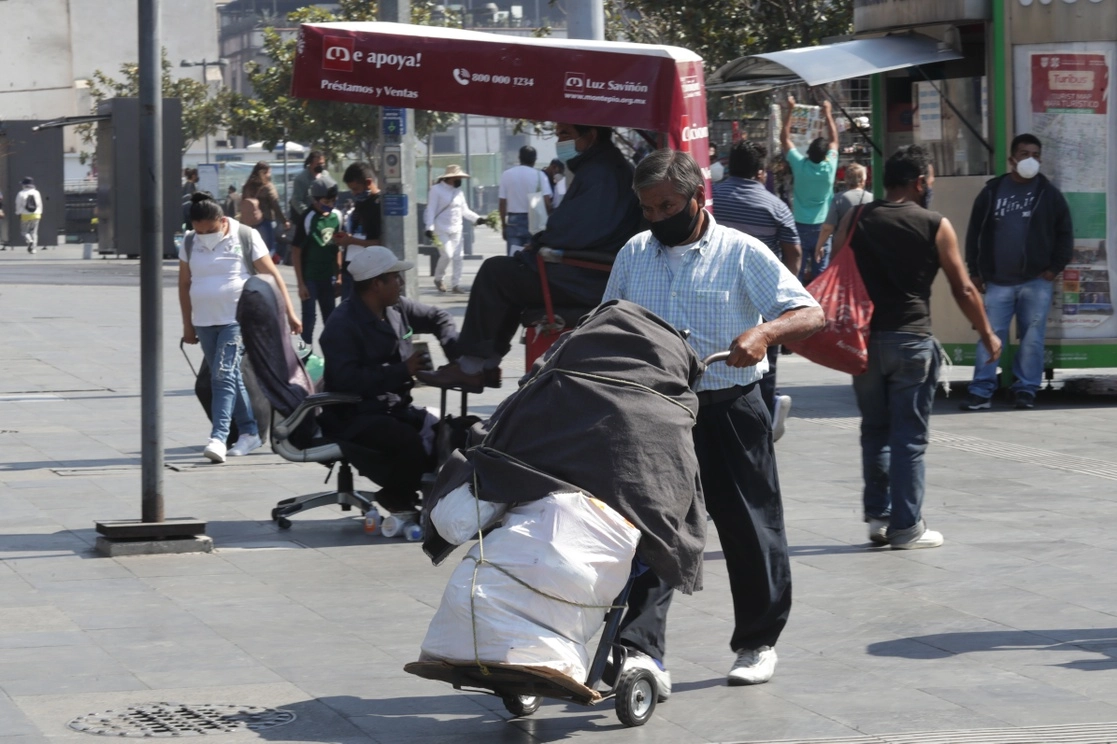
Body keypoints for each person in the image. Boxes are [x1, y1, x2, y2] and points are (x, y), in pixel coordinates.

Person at [603, 149, 823, 692]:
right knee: (651, 528)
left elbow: (810, 312)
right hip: (656, 412)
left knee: (750, 525)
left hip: (728, 407)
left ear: (697, 197)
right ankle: (640, 650)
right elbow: (607, 321)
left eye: (667, 206)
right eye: (648, 209)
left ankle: (757, 641)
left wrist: (765, 334)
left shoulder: (741, 252)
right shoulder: (635, 253)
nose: (657, 218)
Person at [831, 145, 1001, 549]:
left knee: (874, 429)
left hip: (865, 342)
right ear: (920, 182)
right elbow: (962, 287)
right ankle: (907, 527)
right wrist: (986, 332)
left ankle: (878, 517)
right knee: (908, 437)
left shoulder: (856, 218)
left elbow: (836, 268)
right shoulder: (934, 224)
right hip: (912, 340)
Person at [417, 123, 643, 391]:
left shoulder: (603, 172)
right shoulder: (605, 167)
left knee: (495, 271)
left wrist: (539, 244)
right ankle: (485, 365)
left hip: (587, 275)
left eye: (565, 135)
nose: (559, 142)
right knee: (513, 273)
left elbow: (575, 229)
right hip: (589, 269)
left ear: (591, 136)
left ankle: (471, 367)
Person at [318, 247, 461, 513]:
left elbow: (438, 317)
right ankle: (395, 495)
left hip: (393, 407)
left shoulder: (397, 308)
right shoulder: (342, 324)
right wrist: (401, 370)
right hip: (354, 414)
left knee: (452, 432)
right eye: (396, 277)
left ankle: (430, 498)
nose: (401, 283)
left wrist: (456, 356)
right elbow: (345, 379)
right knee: (408, 441)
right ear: (377, 284)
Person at [178, 192, 301, 463]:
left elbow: (273, 275)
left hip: (237, 319)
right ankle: (249, 432)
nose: (204, 235)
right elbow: (184, 284)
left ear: (222, 221)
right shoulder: (189, 242)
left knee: (222, 376)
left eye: (209, 230)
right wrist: (188, 325)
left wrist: (290, 313)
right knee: (228, 376)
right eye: (199, 231)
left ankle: (218, 438)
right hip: (205, 321)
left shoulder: (244, 235)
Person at [961, 133, 1073, 411]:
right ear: (1012, 159)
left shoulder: (1049, 194)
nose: (1031, 160)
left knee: (1033, 338)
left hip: (1036, 281)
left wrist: (1053, 269)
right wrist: (974, 271)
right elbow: (974, 232)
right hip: (997, 282)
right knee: (989, 335)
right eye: (1024, 154)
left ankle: (1026, 389)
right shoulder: (992, 191)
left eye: (1036, 154)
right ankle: (981, 390)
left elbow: (1065, 233)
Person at [712, 140, 802, 442]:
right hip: (759, 303)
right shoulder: (775, 206)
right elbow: (794, 253)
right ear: (760, 172)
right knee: (764, 366)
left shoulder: (710, 200)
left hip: (713, 296)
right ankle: (761, 423)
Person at [780, 95, 839, 284]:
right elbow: (835, 140)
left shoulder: (800, 165)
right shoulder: (829, 168)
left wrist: (790, 109)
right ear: (824, 156)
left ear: (808, 152)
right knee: (821, 275)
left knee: (796, 273)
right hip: (823, 226)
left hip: (799, 224)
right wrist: (828, 114)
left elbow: (784, 138)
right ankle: (820, 308)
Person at [291, 176, 343, 346]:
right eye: (327, 201)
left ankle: (333, 358)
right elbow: (296, 251)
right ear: (315, 200)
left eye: (334, 200)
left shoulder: (337, 217)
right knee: (309, 320)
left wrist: (339, 276)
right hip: (310, 278)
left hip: (328, 278)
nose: (331, 204)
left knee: (331, 320)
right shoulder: (308, 218)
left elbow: (338, 247)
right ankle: (305, 358)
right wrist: (301, 284)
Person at [423, 165, 490, 293]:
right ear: (450, 178)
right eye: (458, 177)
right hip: (441, 228)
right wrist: (429, 228)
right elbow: (430, 209)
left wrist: (477, 219)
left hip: (457, 228)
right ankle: (439, 278)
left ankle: (456, 284)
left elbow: (464, 210)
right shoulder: (436, 190)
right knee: (447, 255)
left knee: (459, 256)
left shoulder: (458, 192)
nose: (460, 180)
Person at [334, 162, 382, 301]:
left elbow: (378, 242)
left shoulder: (378, 205)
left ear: (368, 182)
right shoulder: (361, 203)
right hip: (351, 268)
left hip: (367, 271)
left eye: (356, 189)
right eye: (351, 190)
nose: (354, 193)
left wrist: (351, 241)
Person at [499, 145, 553, 255]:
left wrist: (504, 227)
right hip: (534, 222)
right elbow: (547, 203)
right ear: (534, 159)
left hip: (513, 222)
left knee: (513, 260)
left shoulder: (507, 174)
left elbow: (502, 204)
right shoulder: (540, 175)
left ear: (519, 158)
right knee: (532, 258)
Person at [814, 162, 870, 268]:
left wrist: (819, 246)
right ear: (863, 181)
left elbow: (827, 228)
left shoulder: (839, 199)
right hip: (866, 251)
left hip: (843, 252)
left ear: (846, 181)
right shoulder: (872, 198)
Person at [241, 161, 289, 259]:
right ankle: (265, 270)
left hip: (248, 223)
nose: (270, 175)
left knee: (251, 249)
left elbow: (243, 202)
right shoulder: (268, 186)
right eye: (269, 172)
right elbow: (275, 205)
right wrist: (284, 221)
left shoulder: (247, 186)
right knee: (268, 249)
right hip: (265, 221)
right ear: (265, 173)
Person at [289, 150, 327, 223]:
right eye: (318, 164)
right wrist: (309, 215)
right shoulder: (301, 179)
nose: (321, 166)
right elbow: (296, 201)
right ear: (311, 164)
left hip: (322, 217)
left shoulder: (325, 175)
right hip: (305, 219)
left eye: (322, 163)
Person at [15, 178, 43, 254]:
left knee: (24, 231)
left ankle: (29, 241)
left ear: (24, 185)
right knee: (34, 232)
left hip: (25, 215)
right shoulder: (37, 193)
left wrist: (18, 213)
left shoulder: (21, 193)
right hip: (36, 215)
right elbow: (40, 204)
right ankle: (33, 249)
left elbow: (18, 205)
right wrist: (40, 212)